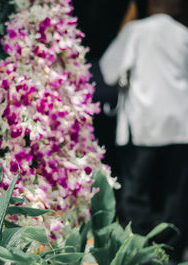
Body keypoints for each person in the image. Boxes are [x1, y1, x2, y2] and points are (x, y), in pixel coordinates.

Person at [100, 0, 188, 262]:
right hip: (180, 127)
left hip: (144, 127)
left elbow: (108, 71)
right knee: (174, 195)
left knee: (136, 193)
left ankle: (141, 251)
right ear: (178, 8)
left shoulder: (136, 31)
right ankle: (169, 254)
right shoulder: (184, 35)